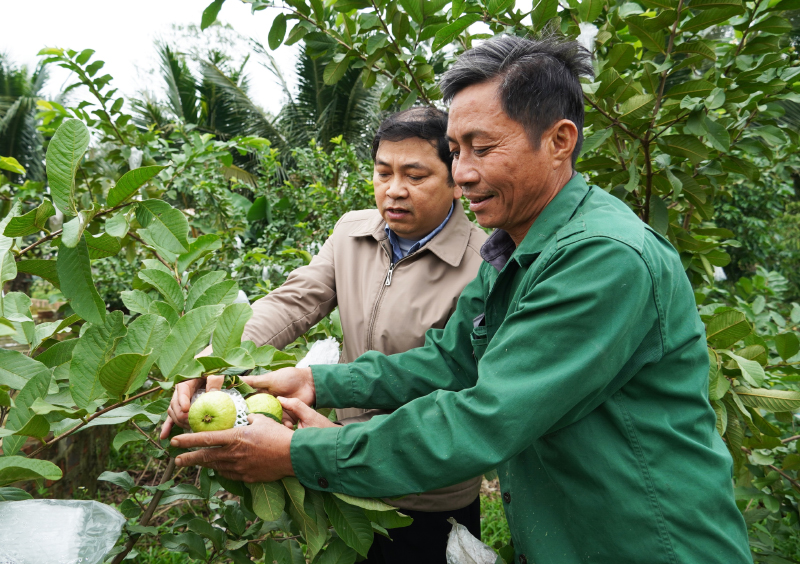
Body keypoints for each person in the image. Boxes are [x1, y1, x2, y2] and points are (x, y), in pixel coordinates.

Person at [169, 35, 752, 563]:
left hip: (648, 543)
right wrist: (320, 384)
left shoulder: (601, 258)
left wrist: (301, 453)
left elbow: (485, 418)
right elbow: (452, 359)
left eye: (481, 148)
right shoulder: (518, 248)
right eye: (456, 150)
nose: (465, 173)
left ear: (560, 141)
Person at [161, 107, 489, 562]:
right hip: (337, 464)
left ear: (456, 178)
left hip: (426, 487)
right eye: (383, 172)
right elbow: (293, 301)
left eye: (415, 175)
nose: (394, 190)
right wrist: (217, 361)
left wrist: (317, 393)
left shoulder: (484, 264)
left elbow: (453, 373)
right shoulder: (352, 233)